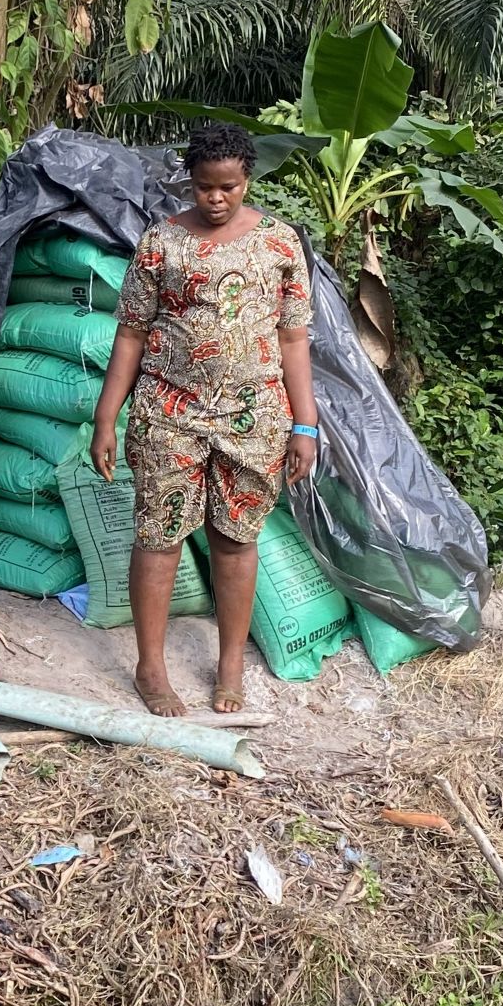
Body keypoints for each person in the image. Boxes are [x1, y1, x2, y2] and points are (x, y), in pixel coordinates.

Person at [90, 122, 320, 717]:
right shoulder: (161, 241)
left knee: (236, 539)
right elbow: (132, 334)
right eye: (203, 188)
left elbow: (295, 339)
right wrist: (106, 418)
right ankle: (151, 668)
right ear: (189, 183)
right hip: (169, 411)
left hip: (256, 416)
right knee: (158, 536)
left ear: (248, 180)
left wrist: (305, 425)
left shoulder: (279, 243)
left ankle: (230, 666)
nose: (216, 199)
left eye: (228, 188)